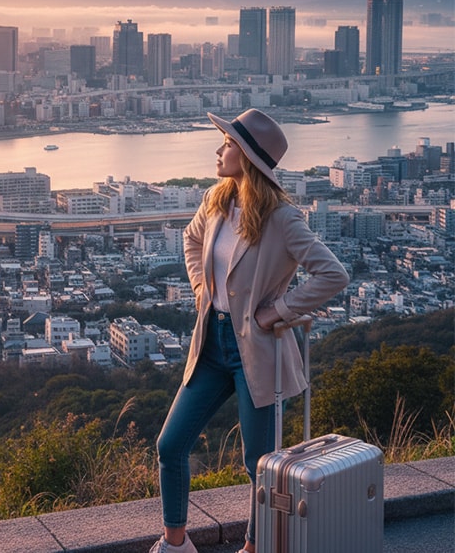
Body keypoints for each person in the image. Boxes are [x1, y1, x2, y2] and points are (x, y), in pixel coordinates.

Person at [149, 109, 349, 553]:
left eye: (227, 143)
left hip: (256, 351)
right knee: (170, 444)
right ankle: (175, 543)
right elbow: (191, 238)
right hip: (212, 344)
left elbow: (333, 275)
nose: (219, 149)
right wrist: (202, 288)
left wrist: (276, 310)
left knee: (257, 465)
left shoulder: (281, 218)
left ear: (247, 157)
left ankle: (256, 546)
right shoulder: (217, 200)